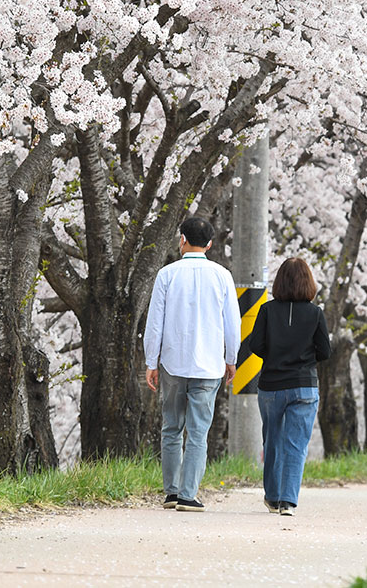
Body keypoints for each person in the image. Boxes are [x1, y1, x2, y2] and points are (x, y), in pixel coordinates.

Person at [143, 217, 239, 513]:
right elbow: (232, 325)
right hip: (209, 365)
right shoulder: (222, 275)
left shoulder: (167, 274)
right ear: (209, 244)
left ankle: (171, 492)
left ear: (181, 239)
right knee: (198, 432)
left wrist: (151, 361)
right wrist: (231, 359)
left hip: (173, 361)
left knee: (171, 427)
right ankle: (188, 494)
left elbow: (154, 322)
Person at [246, 257, 331, 517]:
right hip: (304, 386)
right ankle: (288, 502)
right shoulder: (316, 313)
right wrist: (304, 360)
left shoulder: (267, 310)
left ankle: (272, 497)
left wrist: (274, 356)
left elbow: (254, 345)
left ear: (279, 281)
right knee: (296, 444)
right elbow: (325, 351)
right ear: (309, 282)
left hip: (271, 385)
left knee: (272, 439)